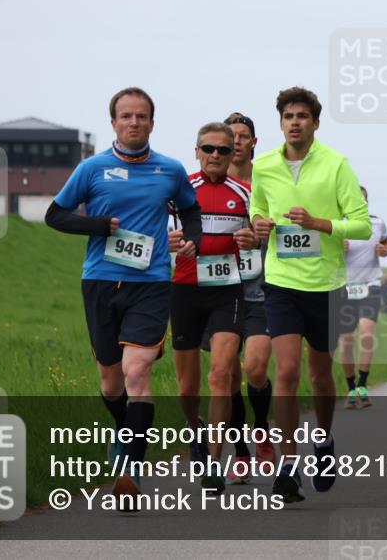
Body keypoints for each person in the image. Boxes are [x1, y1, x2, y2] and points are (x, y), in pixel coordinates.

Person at [45, 87, 202, 508]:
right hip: (100, 282)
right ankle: (125, 431)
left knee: (137, 373)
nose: (135, 123)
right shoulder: (92, 169)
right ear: (113, 122)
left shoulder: (169, 170)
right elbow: (55, 215)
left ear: (152, 122)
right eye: (126, 116)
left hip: (150, 284)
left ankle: (130, 469)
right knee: (111, 383)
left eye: (142, 116)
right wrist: (97, 225)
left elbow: (190, 210)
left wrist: (193, 240)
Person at [249, 86, 371, 503]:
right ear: (280, 122)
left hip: (326, 284)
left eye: (302, 115)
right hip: (281, 281)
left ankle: (323, 440)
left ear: (315, 123)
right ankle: (287, 465)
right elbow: (257, 210)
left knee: (320, 374)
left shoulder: (336, 164)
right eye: (288, 116)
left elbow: (361, 226)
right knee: (285, 372)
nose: (295, 122)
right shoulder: (263, 166)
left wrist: (320, 223)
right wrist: (260, 225)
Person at [167, 122, 257, 495]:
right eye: (209, 149)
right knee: (187, 388)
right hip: (186, 290)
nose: (216, 156)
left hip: (227, 290)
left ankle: (213, 465)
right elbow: (157, 233)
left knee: (221, 374)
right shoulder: (180, 191)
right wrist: (169, 241)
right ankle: (196, 429)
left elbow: (259, 236)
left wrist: (253, 237)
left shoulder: (246, 192)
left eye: (224, 150)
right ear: (197, 151)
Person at [221, 112, 276, 483]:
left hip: (263, 286)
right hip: (221, 287)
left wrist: (263, 236)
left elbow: (287, 228)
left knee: (255, 368)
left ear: (254, 142)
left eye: (243, 136)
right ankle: (240, 450)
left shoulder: (268, 181)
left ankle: (261, 431)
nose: (237, 142)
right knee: (226, 376)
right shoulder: (211, 181)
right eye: (231, 137)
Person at [338, 186, 387, 409]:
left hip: (371, 285)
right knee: (347, 340)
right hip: (344, 287)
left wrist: (384, 250)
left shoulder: (377, 222)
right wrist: (337, 247)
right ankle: (350, 386)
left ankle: (362, 384)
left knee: (367, 334)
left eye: (362, 200)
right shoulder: (337, 224)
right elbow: (321, 253)